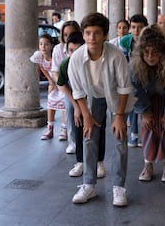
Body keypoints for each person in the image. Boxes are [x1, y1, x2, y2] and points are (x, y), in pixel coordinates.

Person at [68, 12, 133, 206]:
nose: (92, 38)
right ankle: (88, 185)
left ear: (105, 35)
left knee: (120, 139)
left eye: (97, 33)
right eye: (88, 33)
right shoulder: (77, 58)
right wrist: (86, 115)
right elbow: (78, 91)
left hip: (117, 97)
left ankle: (119, 187)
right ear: (83, 34)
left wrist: (119, 116)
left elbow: (124, 88)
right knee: (89, 137)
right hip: (94, 96)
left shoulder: (116, 55)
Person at [130, 24, 165, 182]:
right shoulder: (135, 66)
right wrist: (145, 112)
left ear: (163, 51)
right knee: (148, 129)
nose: (150, 57)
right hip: (148, 100)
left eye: (155, 52)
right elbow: (135, 90)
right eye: (146, 52)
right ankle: (148, 164)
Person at [57, 31, 105, 178]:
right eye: (71, 50)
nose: (74, 54)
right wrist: (77, 107)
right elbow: (62, 84)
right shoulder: (66, 64)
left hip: (96, 96)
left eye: (78, 50)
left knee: (97, 125)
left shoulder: (92, 61)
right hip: (77, 97)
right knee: (79, 125)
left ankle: (99, 162)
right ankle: (80, 162)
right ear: (66, 50)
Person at [119, 14, 148, 148]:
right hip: (131, 75)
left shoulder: (148, 40)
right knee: (132, 104)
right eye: (134, 27)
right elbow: (123, 61)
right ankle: (134, 133)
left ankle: (143, 133)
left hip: (146, 75)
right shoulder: (125, 41)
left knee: (144, 104)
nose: (136, 31)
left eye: (140, 27)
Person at [30, 34, 65, 140]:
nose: (43, 47)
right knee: (50, 103)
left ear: (51, 46)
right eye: (41, 44)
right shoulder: (39, 56)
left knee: (64, 104)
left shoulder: (56, 55)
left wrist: (59, 83)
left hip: (61, 79)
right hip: (52, 81)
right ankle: (50, 128)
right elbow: (42, 68)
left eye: (46, 44)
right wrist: (50, 82)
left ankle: (64, 128)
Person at [51, 21, 81, 147]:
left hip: (82, 82)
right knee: (69, 108)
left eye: (71, 34)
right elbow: (55, 72)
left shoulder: (81, 46)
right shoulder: (58, 49)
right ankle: (72, 141)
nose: (68, 37)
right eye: (65, 34)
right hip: (66, 83)